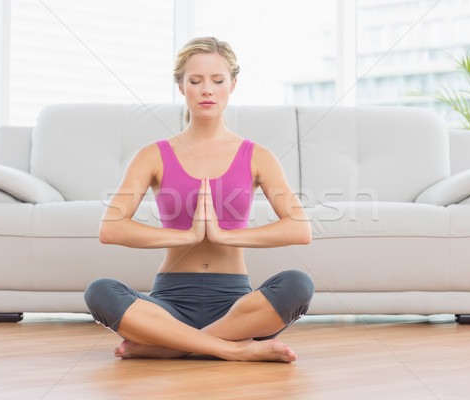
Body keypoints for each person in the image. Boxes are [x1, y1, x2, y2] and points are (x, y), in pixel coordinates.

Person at [84, 37, 314, 363]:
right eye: (196, 81)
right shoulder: (152, 156)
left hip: (235, 307)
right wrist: (187, 236)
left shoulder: (258, 157)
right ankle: (233, 348)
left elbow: (299, 229)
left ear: (232, 84)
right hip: (168, 303)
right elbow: (111, 228)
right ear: (181, 86)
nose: (207, 90)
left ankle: (168, 346)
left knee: (298, 284)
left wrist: (224, 236)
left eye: (217, 81)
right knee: (99, 291)